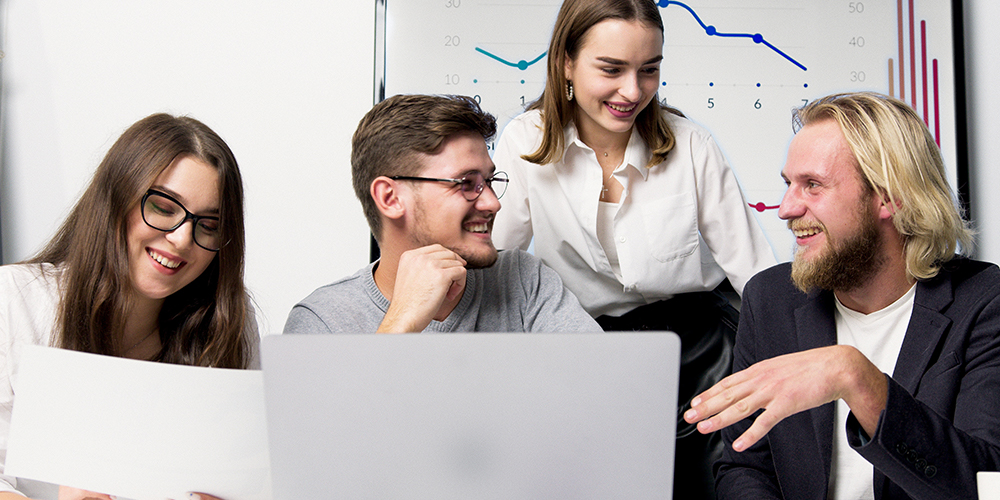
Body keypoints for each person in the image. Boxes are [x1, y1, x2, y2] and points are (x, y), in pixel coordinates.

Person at [490, 0, 776, 496]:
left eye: (649, 70)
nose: (633, 91)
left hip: (704, 351)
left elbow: (757, 275)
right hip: (587, 352)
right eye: (612, 69)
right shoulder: (524, 142)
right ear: (566, 63)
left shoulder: (692, 146)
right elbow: (494, 262)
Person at [683, 92, 1000, 500]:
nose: (785, 209)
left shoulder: (984, 301)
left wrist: (855, 377)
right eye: (789, 185)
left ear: (889, 196)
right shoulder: (770, 298)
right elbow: (745, 466)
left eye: (812, 186)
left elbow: (986, 482)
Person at [0, 114, 258, 500]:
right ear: (116, 197)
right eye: (165, 207)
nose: (182, 238)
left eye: (208, 225)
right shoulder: (16, 299)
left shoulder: (228, 323)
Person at [283, 94, 600, 335]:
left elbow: (609, 395)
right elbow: (335, 424)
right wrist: (401, 322)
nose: (492, 203)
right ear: (390, 198)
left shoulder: (522, 280)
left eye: (489, 182)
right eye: (466, 183)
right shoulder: (323, 320)